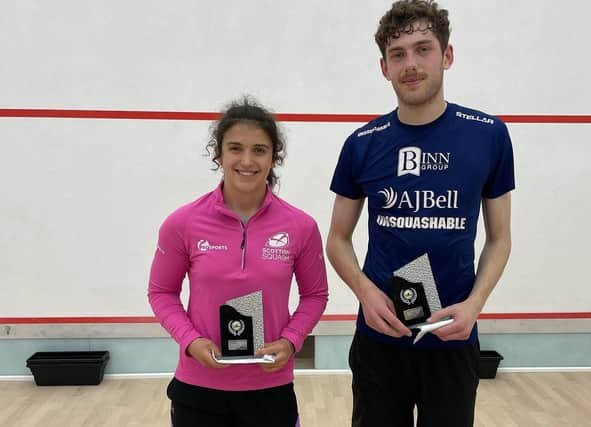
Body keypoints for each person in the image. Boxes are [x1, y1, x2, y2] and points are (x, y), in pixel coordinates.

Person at [326, 1, 514, 426]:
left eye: (422, 48)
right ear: (384, 67)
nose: (410, 64)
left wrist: (475, 304)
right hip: (380, 341)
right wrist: (364, 292)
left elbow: (499, 238)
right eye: (398, 54)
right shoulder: (362, 144)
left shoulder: (490, 136)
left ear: (447, 55)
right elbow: (337, 239)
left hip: (453, 339)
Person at [148, 96, 329, 427]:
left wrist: (291, 341)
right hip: (198, 388)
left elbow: (315, 295)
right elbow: (161, 293)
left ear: (274, 157)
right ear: (218, 154)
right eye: (235, 148)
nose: (247, 160)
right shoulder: (182, 223)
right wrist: (190, 341)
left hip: (270, 388)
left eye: (259, 150)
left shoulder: (301, 227)